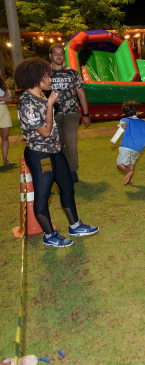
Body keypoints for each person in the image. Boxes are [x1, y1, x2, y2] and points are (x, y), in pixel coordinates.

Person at [16, 58, 99, 248]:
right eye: (47, 76)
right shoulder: (27, 101)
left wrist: (49, 102)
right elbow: (45, 132)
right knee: (43, 195)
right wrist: (50, 105)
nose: (50, 79)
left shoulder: (42, 96)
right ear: (37, 78)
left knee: (67, 186)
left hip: (55, 150)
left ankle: (75, 226)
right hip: (40, 154)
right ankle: (49, 235)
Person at [49, 43, 91, 183]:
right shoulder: (45, 73)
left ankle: (72, 171)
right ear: (50, 55)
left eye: (61, 53)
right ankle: (59, 171)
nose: (58, 56)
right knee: (57, 144)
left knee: (71, 144)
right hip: (52, 115)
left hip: (71, 114)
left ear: (64, 56)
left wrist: (86, 114)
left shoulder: (72, 73)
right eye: (55, 53)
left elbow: (81, 93)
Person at [111, 100, 145, 185]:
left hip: (127, 146)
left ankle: (129, 172)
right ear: (137, 112)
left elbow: (122, 128)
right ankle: (129, 181)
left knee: (119, 164)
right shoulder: (144, 123)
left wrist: (114, 140)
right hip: (139, 148)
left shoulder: (125, 120)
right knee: (132, 162)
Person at [0, 74, 13, 166]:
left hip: (3, 110)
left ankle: (5, 160)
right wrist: (3, 98)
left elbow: (10, 98)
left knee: (5, 137)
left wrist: (3, 98)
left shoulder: (3, 84)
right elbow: (6, 98)